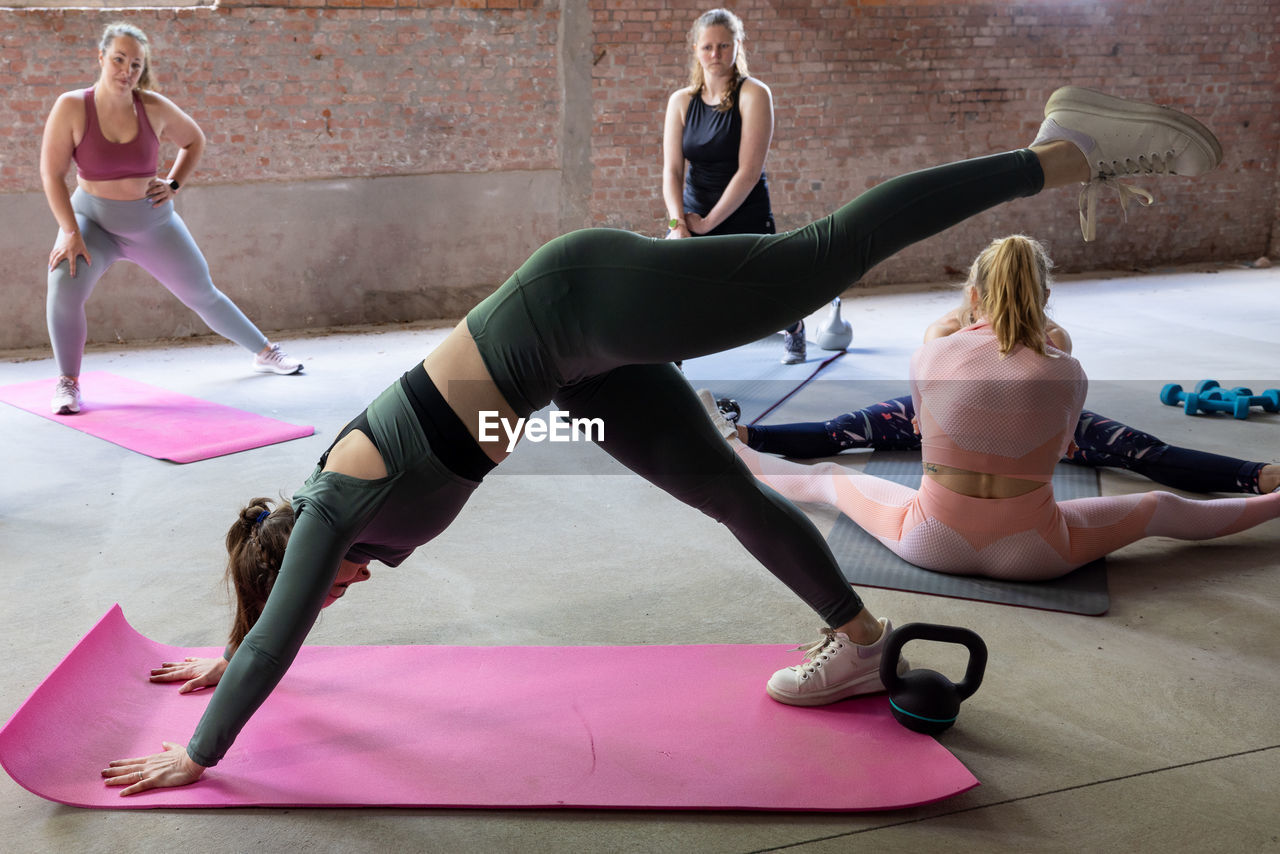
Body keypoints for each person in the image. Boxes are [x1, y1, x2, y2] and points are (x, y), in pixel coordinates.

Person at [102, 86, 1225, 794]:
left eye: (323, 590)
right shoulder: (327, 516)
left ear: (312, 561)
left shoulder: (338, 506)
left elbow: (278, 635)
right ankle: (859, 638)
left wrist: (199, 748)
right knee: (727, 492)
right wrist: (233, 636)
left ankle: (1061, 148)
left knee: (822, 253)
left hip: (583, 303)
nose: (336, 594)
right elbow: (278, 614)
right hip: (573, 363)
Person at [713, 232, 1280, 584]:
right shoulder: (1066, 368)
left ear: (972, 294)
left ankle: (726, 447)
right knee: (1158, 504)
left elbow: (924, 415)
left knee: (830, 481)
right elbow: (1061, 442)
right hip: (1038, 552)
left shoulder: (932, 353)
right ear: (1046, 300)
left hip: (928, 539)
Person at [720, 289, 1280, 495]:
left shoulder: (1050, 336)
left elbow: (1063, 408)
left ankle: (1256, 476)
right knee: (838, 431)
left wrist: (1059, 437)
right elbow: (924, 399)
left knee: (1142, 451)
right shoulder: (946, 329)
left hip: (1018, 429)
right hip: (948, 427)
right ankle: (737, 435)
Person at [41, 22, 302, 417]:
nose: (126, 71)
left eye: (135, 64)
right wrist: (69, 231)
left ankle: (265, 352)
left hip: (151, 223)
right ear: (101, 57)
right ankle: (68, 383)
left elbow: (194, 139)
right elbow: (51, 174)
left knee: (202, 293)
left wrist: (174, 183)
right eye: (118, 60)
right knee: (63, 285)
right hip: (91, 223)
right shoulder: (73, 106)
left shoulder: (154, 108)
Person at [661, 9, 806, 365]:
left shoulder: (754, 93)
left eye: (723, 46)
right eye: (708, 47)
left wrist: (709, 224)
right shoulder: (681, 101)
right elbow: (672, 171)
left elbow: (749, 170)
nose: (715, 54)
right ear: (696, 49)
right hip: (694, 209)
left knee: (761, 298)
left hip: (744, 208)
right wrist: (678, 224)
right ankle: (672, 362)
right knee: (673, 285)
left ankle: (795, 328)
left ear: (736, 46)